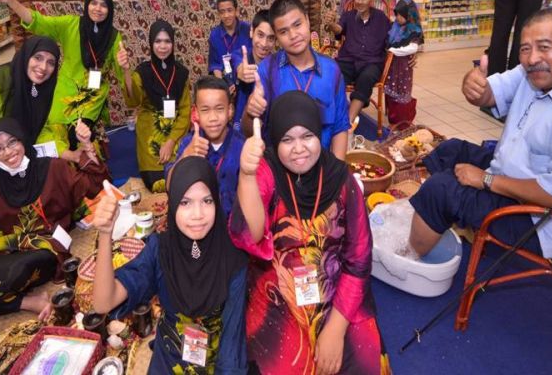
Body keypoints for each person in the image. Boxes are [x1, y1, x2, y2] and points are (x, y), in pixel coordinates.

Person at [409, 8, 552, 259]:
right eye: (525, 49)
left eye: (544, 47)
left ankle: (410, 257)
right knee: (450, 149)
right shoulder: (536, 72)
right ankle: (429, 214)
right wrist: (473, 86)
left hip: (547, 223)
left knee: (441, 189)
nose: (532, 58)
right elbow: (487, 95)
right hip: (518, 176)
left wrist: (487, 180)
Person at [232, 92, 389, 374]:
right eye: (287, 139)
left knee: (360, 362)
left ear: (319, 134)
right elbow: (249, 235)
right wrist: (246, 175)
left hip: (338, 293)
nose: (299, 149)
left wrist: (336, 330)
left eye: (307, 136)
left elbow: (358, 261)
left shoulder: (341, 180)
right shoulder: (266, 171)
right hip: (277, 295)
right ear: (274, 140)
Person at [91, 156, 248, 374]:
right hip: (170, 354)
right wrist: (105, 233)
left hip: (215, 358)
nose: (198, 214)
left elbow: (232, 346)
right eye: (185, 202)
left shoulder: (233, 258)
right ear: (172, 205)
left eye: (207, 201)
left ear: (217, 201)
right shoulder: (161, 250)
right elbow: (103, 303)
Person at [0, 117, 107, 317]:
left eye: (12, 142)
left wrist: (86, 144)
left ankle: (16, 297)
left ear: (23, 139)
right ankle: (27, 302)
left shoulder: (52, 168)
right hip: (9, 252)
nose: (8, 152)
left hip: (46, 250)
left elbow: (95, 184)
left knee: (11, 276)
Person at [0, 36, 93, 211]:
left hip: (12, 159)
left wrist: (71, 155)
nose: (43, 67)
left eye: (51, 62)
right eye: (38, 57)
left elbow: (39, 131)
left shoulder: (39, 89)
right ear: (26, 55)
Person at [0, 0, 124, 150]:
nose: (98, 9)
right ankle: (61, 159)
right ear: (87, 5)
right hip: (66, 88)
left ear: (110, 10)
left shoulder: (114, 36)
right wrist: (10, 0)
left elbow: (122, 74)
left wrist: (125, 67)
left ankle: (81, 156)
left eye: (103, 5)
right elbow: (38, 21)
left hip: (93, 94)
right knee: (53, 131)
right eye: (93, 3)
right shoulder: (71, 24)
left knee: (79, 134)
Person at [242, 0, 349, 159]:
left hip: (323, 167)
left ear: (307, 20)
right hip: (280, 169)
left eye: (297, 25)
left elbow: (340, 127)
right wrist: (251, 112)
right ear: (276, 37)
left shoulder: (331, 70)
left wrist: (337, 170)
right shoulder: (268, 70)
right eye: (283, 31)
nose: (293, 35)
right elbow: (249, 132)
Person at [117, 19, 190, 191]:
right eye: (158, 41)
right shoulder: (143, 72)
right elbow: (133, 101)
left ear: (173, 43)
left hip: (175, 133)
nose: (162, 46)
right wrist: (126, 70)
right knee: (157, 184)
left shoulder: (181, 73)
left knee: (181, 180)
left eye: (167, 41)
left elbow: (185, 111)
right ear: (151, 43)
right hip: (150, 133)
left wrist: (171, 141)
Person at [165, 76, 244, 217]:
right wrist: (186, 156)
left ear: (230, 110)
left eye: (219, 109)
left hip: (233, 224)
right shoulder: (189, 143)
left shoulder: (242, 146)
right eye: (205, 110)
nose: (213, 118)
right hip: (199, 221)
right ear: (196, 112)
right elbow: (170, 186)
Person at [326, 0, 391, 126]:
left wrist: (410, 52)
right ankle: (333, 116)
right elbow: (339, 30)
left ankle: (347, 124)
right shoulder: (348, 16)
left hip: (372, 62)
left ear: (371, 0)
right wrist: (331, 25)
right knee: (333, 75)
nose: (360, 1)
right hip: (348, 60)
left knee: (366, 78)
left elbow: (394, 38)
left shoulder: (381, 18)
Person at [232, 10, 275, 131]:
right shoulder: (240, 55)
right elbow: (237, 62)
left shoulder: (276, 66)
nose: (264, 44)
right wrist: (241, 70)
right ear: (251, 31)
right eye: (260, 35)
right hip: (240, 125)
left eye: (271, 38)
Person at [384, 0, 423, 126]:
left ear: (409, 15)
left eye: (401, 15)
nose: (398, 18)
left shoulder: (413, 29)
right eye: (397, 15)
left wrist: (392, 51)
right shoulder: (394, 27)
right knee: (391, 89)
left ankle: (402, 120)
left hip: (404, 66)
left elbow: (413, 48)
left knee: (402, 90)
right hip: (392, 65)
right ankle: (393, 116)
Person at [208, 0, 251, 86]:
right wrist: (223, 86)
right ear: (218, 14)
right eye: (222, 12)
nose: (226, 15)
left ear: (236, 11)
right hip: (225, 81)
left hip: (247, 80)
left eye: (229, 10)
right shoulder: (214, 35)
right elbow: (215, 65)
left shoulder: (248, 29)